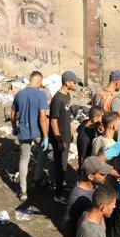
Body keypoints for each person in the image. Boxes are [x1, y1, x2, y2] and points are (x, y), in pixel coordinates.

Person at [62, 156, 114, 237]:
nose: (105, 176)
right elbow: (67, 228)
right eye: (102, 174)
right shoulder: (77, 197)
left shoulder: (93, 185)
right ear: (90, 176)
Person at [12, 70, 49, 202]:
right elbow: (42, 118)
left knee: (24, 159)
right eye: (41, 82)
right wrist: (45, 136)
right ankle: (37, 178)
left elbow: (12, 115)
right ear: (38, 81)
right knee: (44, 151)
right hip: (37, 132)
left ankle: (23, 192)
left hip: (23, 132)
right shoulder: (41, 95)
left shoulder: (19, 94)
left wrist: (14, 128)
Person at [49, 71, 77, 203]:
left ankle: (61, 186)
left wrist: (70, 132)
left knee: (63, 163)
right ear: (66, 82)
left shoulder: (67, 96)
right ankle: (57, 194)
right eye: (73, 81)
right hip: (59, 138)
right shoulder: (57, 99)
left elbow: (67, 117)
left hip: (66, 135)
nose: (74, 83)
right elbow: (53, 121)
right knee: (60, 165)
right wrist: (59, 139)